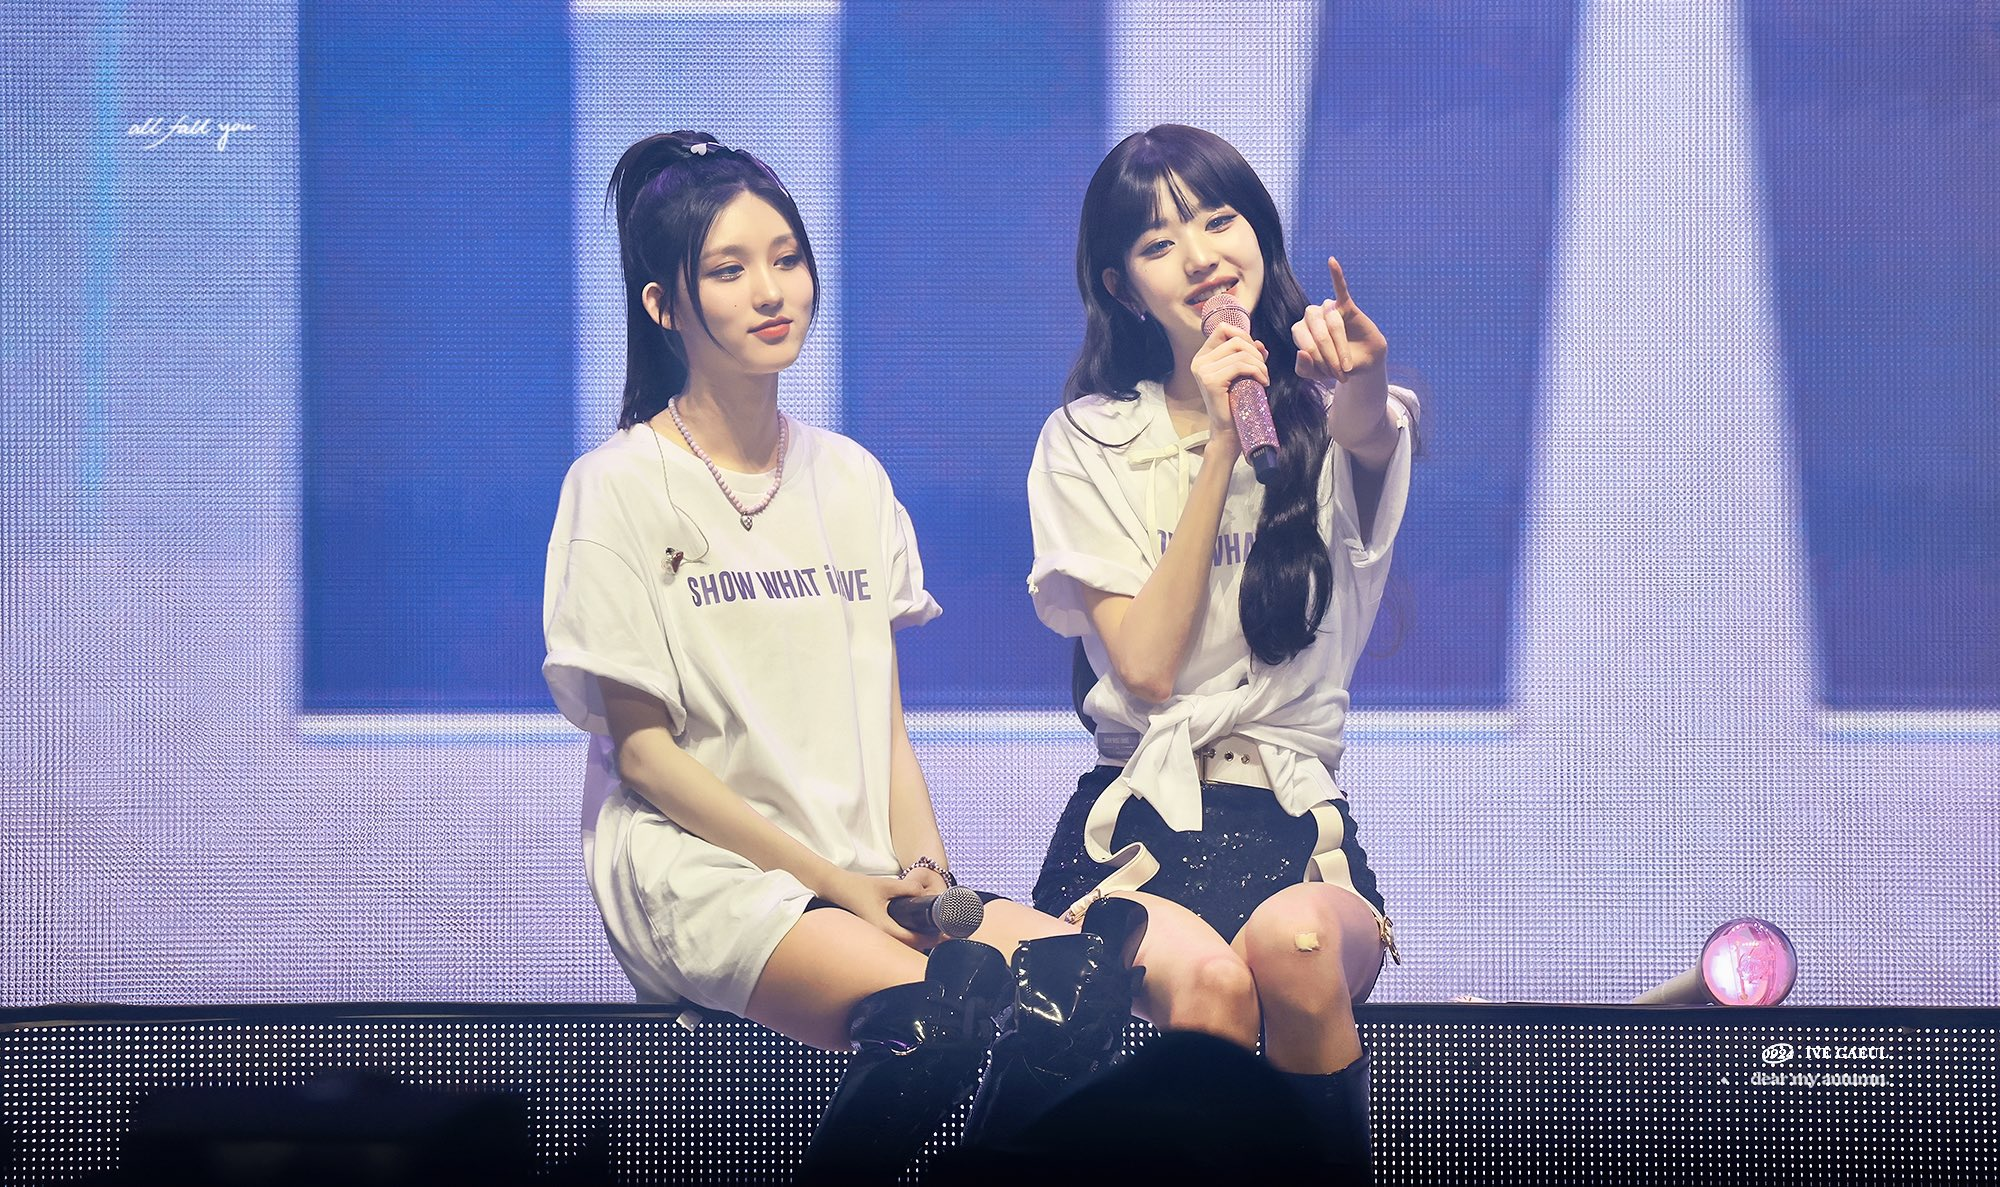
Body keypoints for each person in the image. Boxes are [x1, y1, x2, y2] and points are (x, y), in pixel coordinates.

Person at [541, 131, 1143, 1182]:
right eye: (728, 269)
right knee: (942, 1013)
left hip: (856, 863)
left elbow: (883, 723)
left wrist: (928, 875)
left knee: (1077, 985)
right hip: (707, 869)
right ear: (662, 305)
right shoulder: (618, 486)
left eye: (786, 257)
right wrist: (834, 882)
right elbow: (642, 755)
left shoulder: (851, 477)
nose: (771, 290)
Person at [1024, 124, 1419, 1179]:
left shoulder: (1333, 418)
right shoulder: (1085, 441)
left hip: (1290, 811)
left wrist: (1364, 377)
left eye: (1218, 219)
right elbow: (1146, 669)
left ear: (1260, 234)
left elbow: (1368, 427)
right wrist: (1212, 444)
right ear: (1121, 287)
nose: (1199, 256)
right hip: (1140, 822)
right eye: (1158, 242)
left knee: (1294, 950)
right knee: (1206, 985)